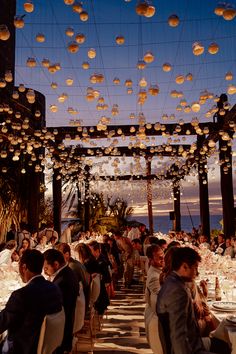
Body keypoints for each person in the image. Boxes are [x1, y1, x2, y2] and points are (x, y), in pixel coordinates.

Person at [157, 247, 230, 354]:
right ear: (184, 266)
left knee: (223, 341)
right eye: (195, 268)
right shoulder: (178, 292)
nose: (197, 273)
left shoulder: (172, 281)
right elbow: (179, 336)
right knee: (227, 343)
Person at [0, 249, 63, 354]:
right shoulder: (54, 288)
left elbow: (2, 323)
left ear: (24, 267)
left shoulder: (21, 295)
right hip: (47, 346)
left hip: (24, 348)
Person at [43, 248, 78, 354]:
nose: (45, 271)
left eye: (46, 267)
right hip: (66, 325)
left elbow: (48, 308)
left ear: (56, 264)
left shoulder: (61, 282)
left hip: (60, 334)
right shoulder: (68, 272)